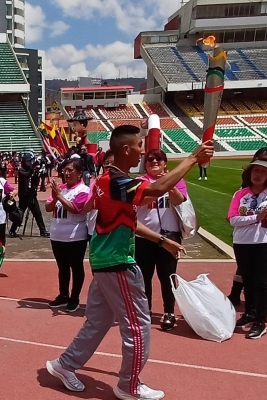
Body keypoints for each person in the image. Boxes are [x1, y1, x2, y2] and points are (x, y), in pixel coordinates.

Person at [46, 125, 213, 399]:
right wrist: (193, 158)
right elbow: (158, 187)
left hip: (104, 259)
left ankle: (65, 365)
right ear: (126, 149)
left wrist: (162, 240)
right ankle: (129, 385)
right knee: (138, 325)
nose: (142, 151)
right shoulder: (116, 181)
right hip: (117, 262)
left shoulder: (110, 180)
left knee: (98, 322)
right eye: (139, 146)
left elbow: (127, 221)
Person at [228, 157, 267, 339]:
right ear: (249, 173)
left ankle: (260, 321)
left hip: (266, 242)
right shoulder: (240, 194)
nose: (258, 175)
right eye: (255, 171)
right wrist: (256, 218)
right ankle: (249, 313)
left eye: (263, 171)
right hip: (242, 243)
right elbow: (233, 219)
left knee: (263, 283)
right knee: (247, 281)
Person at [136, 149, 187, 331]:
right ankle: (145, 311)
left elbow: (179, 200)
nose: (154, 162)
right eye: (150, 159)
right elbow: (139, 201)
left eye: (159, 159)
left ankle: (169, 312)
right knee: (143, 277)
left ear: (165, 163)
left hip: (169, 236)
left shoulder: (176, 180)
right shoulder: (140, 182)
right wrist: (157, 188)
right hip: (144, 238)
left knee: (168, 277)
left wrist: (168, 185)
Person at [45, 158, 89, 313]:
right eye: (65, 170)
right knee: (62, 267)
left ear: (79, 174)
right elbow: (48, 208)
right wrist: (56, 196)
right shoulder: (61, 188)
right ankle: (63, 294)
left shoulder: (83, 190)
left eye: (71, 170)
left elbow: (75, 209)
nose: (67, 173)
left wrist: (60, 196)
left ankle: (74, 297)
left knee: (76, 267)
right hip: (57, 234)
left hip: (75, 236)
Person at [9, 153, 49, 238]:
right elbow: (26, 175)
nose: (30, 162)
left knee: (37, 213)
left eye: (31, 161)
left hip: (32, 195)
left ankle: (43, 231)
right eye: (29, 161)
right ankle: (12, 230)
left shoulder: (32, 169)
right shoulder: (21, 170)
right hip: (24, 196)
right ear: (25, 161)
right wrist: (33, 167)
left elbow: (35, 181)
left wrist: (37, 172)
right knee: (20, 214)